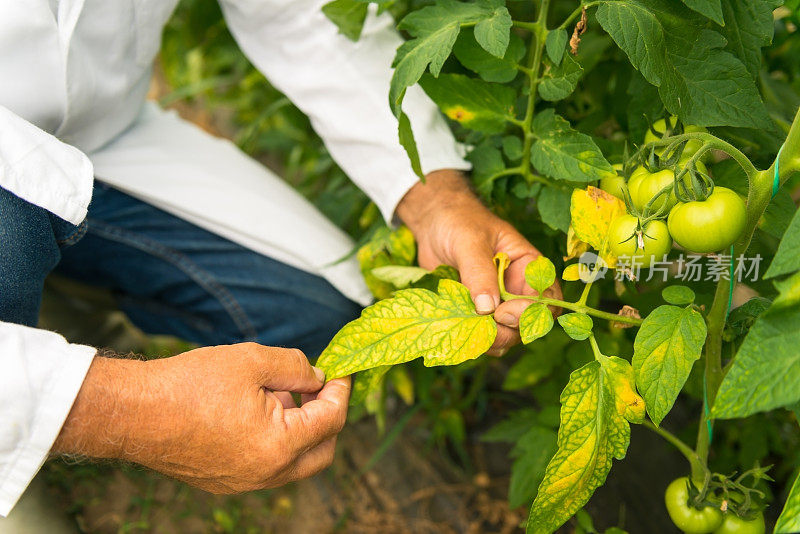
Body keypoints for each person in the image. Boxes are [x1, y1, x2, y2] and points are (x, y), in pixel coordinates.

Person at [0, 0, 561, 517]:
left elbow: (303, 12)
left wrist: (435, 198)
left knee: (310, 317)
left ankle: (65, 283)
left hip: (102, 139)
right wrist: (127, 411)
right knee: (13, 241)